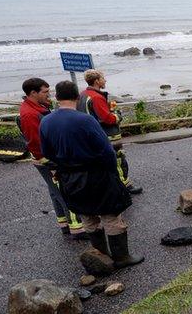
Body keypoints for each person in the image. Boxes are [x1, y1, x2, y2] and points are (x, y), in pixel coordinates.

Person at [40, 81, 143, 269]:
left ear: (57, 98)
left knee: (88, 217)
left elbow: (46, 151)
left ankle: (101, 256)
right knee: (111, 216)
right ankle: (121, 257)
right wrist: (113, 174)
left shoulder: (46, 121)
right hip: (96, 174)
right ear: (77, 97)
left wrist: (63, 167)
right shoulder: (85, 120)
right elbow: (106, 151)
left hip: (69, 177)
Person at [17, 77, 86, 239]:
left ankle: (64, 224)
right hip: (47, 160)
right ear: (33, 93)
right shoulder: (29, 114)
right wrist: (52, 163)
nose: (49, 95)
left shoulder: (37, 107)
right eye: (45, 92)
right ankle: (78, 228)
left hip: (47, 158)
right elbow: (35, 142)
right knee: (64, 191)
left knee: (54, 191)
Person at [76, 69, 142, 194]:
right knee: (118, 160)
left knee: (100, 163)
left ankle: (106, 187)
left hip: (91, 136)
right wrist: (117, 115)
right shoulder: (96, 97)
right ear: (96, 81)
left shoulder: (83, 95)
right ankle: (125, 186)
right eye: (103, 78)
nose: (105, 80)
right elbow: (107, 118)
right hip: (106, 136)